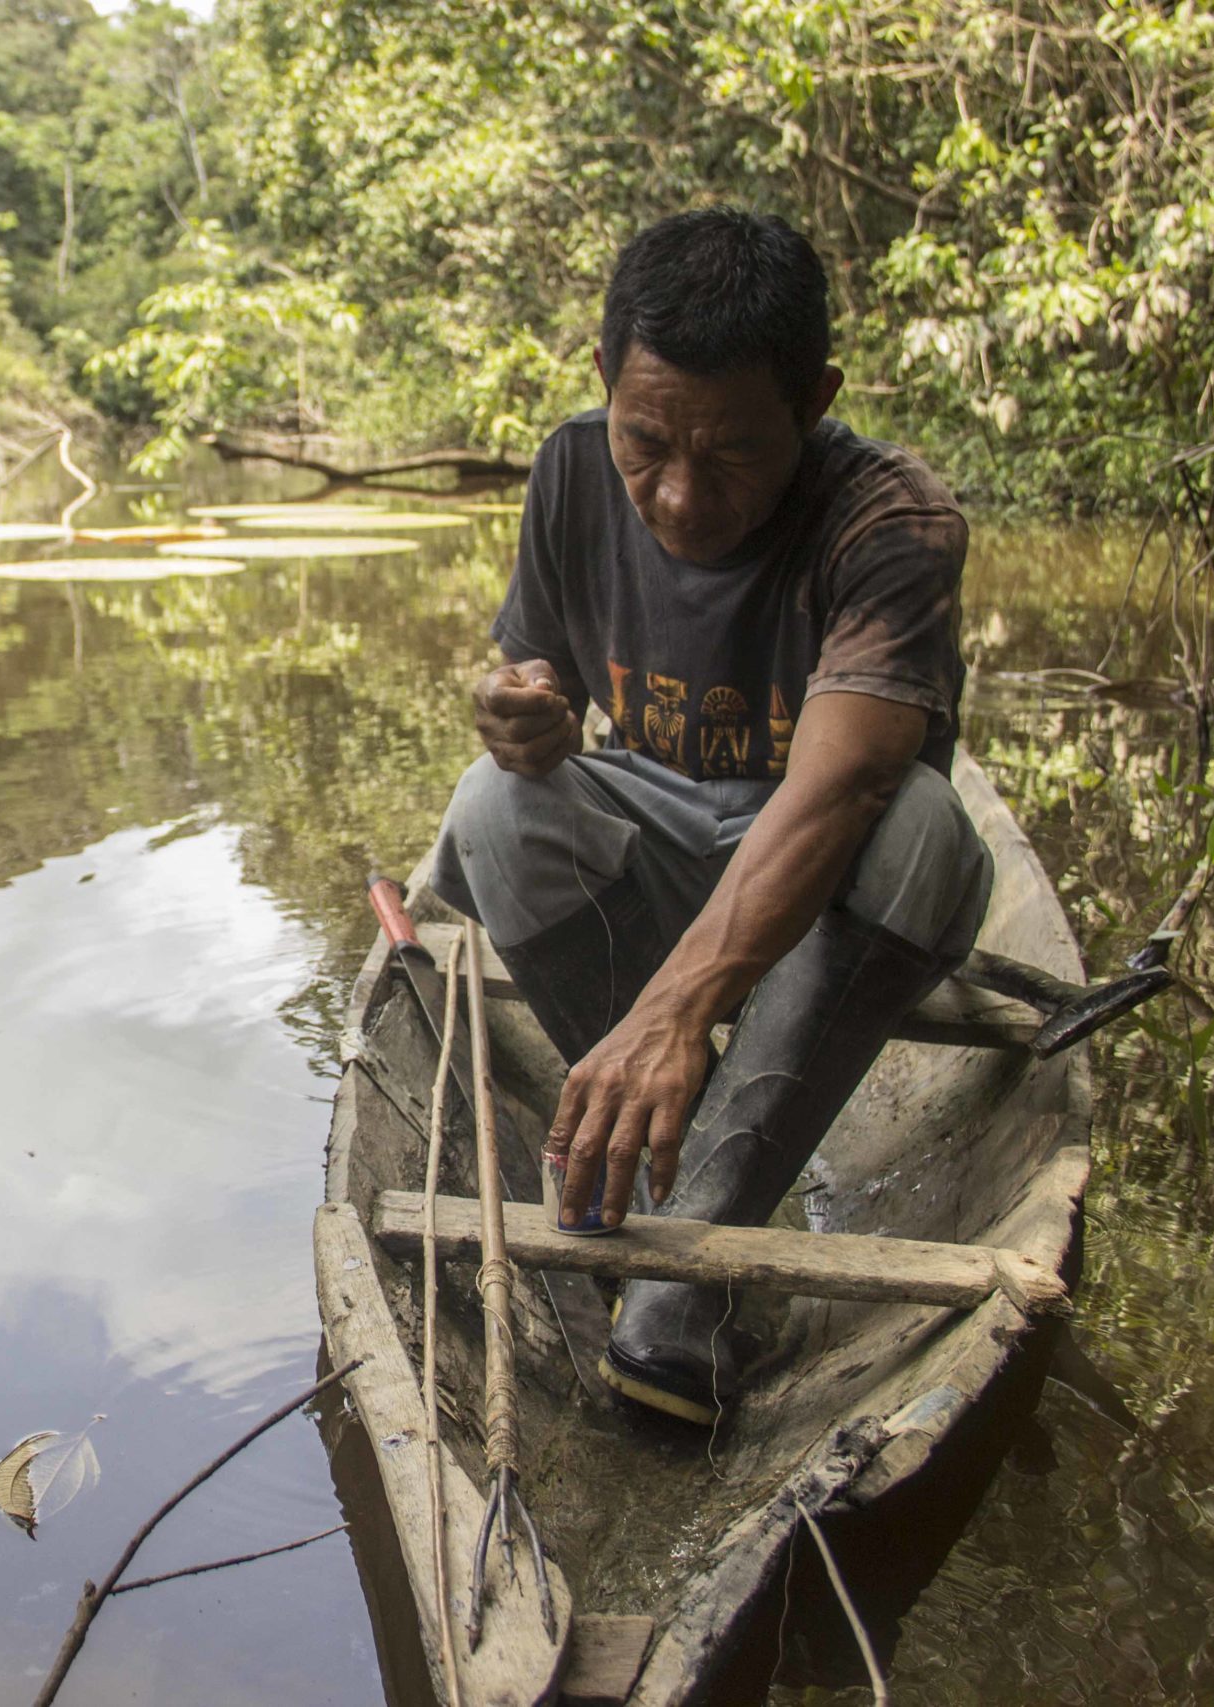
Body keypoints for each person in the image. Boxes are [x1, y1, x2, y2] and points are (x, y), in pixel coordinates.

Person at [426, 207, 993, 1425]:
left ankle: (678, 1258)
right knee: (492, 808)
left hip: (830, 866)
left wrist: (678, 1009)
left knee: (922, 829)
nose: (678, 498)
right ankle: (691, 1182)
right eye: (648, 444)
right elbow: (545, 677)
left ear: (815, 399)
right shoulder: (573, 468)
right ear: (604, 386)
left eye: (731, 454)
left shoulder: (891, 517)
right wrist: (523, 708)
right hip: (676, 841)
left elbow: (840, 787)